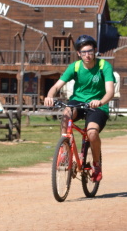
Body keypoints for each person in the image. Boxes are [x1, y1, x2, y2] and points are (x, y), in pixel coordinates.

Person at [43, 35, 115, 182]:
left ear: (95, 50)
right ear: (78, 54)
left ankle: (96, 165)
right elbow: (57, 86)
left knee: (92, 133)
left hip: (97, 105)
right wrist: (49, 96)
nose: (87, 55)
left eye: (89, 51)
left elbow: (110, 91)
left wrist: (100, 101)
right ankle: (65, 150)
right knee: (66, 113)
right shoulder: (75, 67)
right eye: (83, 52)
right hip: (78, 101)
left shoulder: (104, 66)